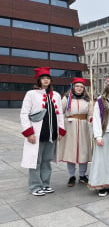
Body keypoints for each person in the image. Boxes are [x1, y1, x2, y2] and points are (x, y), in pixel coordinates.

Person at [20, 67, 66, 196]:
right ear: (39, 81)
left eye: (48, 78)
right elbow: (24, 114)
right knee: (36, 161)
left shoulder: (56, 95)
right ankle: (35, 186)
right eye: (43, 78)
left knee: (47, 160)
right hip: (37, 134)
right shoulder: (31, 94)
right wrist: (29, 133)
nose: (46, 80)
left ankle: (45, 184)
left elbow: (60, 114)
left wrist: (60, 131)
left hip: (51, 134)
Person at [58, 77, 93, 187]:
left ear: (84, 89)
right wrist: (61, 126)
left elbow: (91, 114)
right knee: (71, 151)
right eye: (77, 86)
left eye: (81, 87)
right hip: (70, 127)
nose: (79, 88)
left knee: (83, 151)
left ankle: (82, 175)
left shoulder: (88, 100)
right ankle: (72, 176)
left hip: (83, 127)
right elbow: (59, 112)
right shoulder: (66, 99)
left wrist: (91, 120)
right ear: (73, 87)